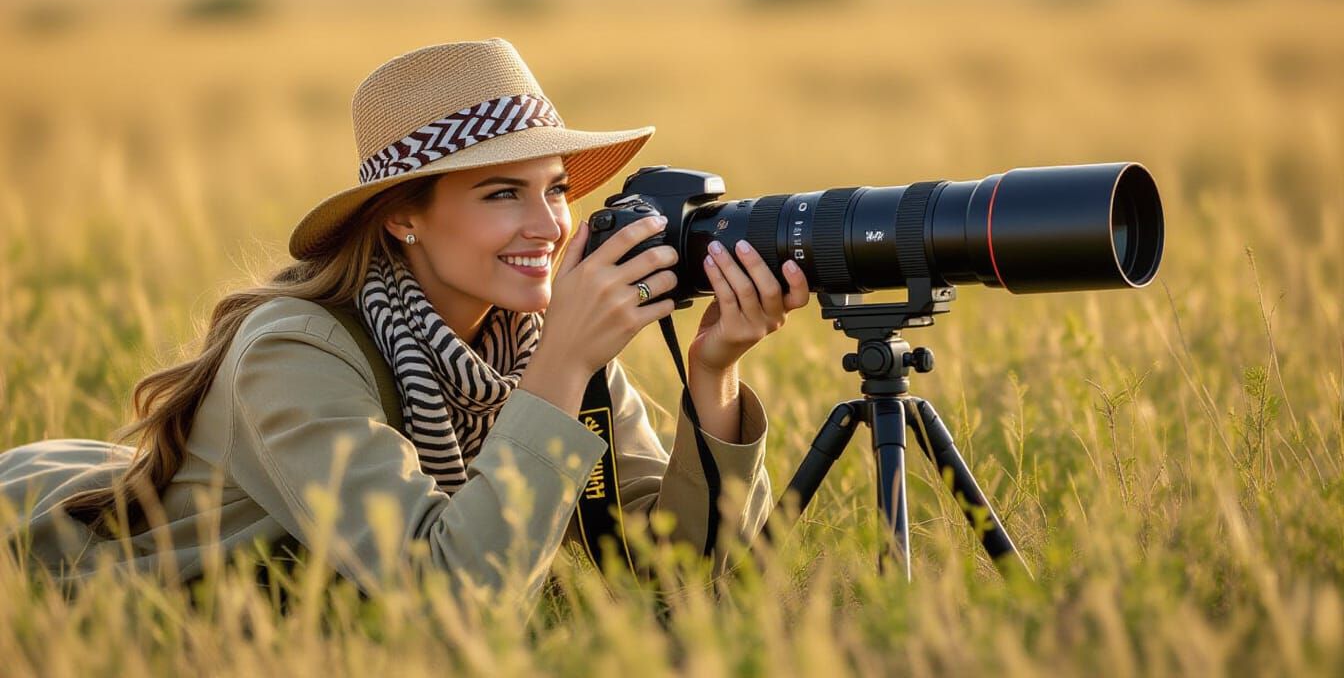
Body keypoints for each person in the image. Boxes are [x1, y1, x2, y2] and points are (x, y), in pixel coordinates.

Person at [0, 39, 811, 605]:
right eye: (502, 194)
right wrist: (560, 370)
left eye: (556, 188)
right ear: (403, 220)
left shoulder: (531, 337)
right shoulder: (295, 349)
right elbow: (451, 596)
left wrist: (713, 378)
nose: (552, 226)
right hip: (58, 556)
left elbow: (674, 576)